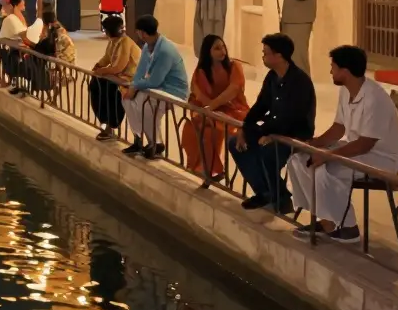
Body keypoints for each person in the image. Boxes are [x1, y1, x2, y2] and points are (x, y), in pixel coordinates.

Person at [287, 45, 398, 243]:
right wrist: (312, 145)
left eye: (333, 67)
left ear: (345, 71)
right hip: (356, 148)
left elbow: (365, 144)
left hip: (381, 158)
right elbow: (338, 128)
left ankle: (349, 228)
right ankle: (327, 220)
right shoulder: (346, 91)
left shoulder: (375, 99)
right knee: (298, 160)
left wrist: (326, 156)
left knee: (326, 169)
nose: (330, 71)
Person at [230, 33, 315, 213]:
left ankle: (281, 198)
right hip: (274, 129)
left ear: (278, 56)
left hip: (294, 134)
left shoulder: (299, 81)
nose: (263, 56)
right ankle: (265, 192)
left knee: (268, 153)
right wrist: (245, 128)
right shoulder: (272, 77)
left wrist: (270, 135)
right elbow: (261, 105)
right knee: (235, 143)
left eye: (266, 53)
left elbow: (292, 117)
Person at [121, 15, 189, 160]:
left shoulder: (165, 50)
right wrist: (132, 86)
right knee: (126, 99)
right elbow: (140, 71)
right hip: (157, 88)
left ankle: (156, 143)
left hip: (173, 91)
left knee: (143, 103)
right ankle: (138, 139)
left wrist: (136, 86)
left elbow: (155, 80)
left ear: (142, 33)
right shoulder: (147, 46)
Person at [183, 35, 250, 178]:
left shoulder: (234, 66)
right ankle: (212, 169)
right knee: (197, 128)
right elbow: (199, 93)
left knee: (217, 122)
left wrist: (212, 107)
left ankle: (211, 169)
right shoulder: (202, 71)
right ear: (208, 52)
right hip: (212, 109)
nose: (222, 51)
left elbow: (233, 90)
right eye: (217, 48)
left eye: (223, 47)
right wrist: (210, 108)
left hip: (234, 109)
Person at [89, 15, 141, 141]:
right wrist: (99, 66)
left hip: (128, 78)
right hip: (117, 75)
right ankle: (104, 121)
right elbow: (107, 57)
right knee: (95, 84)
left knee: (110, 90)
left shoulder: (126, 43)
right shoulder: (113, 41)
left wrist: (102, 71)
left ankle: (111, 125)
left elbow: (119, 66)